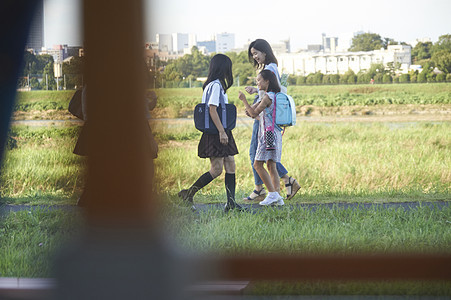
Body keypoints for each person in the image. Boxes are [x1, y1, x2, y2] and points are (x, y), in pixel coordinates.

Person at [178, 54, 242, 212]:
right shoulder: (215, 86)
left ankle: (231, 204)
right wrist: (222, 132)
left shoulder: (215, 85)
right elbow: (212, 109)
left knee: (230, 164)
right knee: (217, 169)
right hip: (217, 131)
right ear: (223, 68)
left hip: (220, 130)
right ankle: (188, 193)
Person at [243, 39, 300, 202]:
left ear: (264, 52)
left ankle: (267, 189)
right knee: (267, 158)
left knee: (260, 156)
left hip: (265, 121)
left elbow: (270, 94)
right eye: (252, 54)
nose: (254, 57)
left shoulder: (270, 68)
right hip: (267, 121)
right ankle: (271, 190)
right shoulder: (270, 68)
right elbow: (270, 91)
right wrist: (256, 91)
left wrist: (250, 105)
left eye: (256, 53)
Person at [239, 70, 284, 206]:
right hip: (275, 134)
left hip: (267, 135)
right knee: (271, 165)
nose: (257, 83)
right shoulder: (274, 95)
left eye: (259, 80)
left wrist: (244, 100)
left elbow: (253, 113)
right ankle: (278, 198)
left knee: (257, 164)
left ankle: (272, 194)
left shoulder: (267, 97)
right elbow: (254, 112)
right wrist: (250, 107)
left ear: (267, 81)